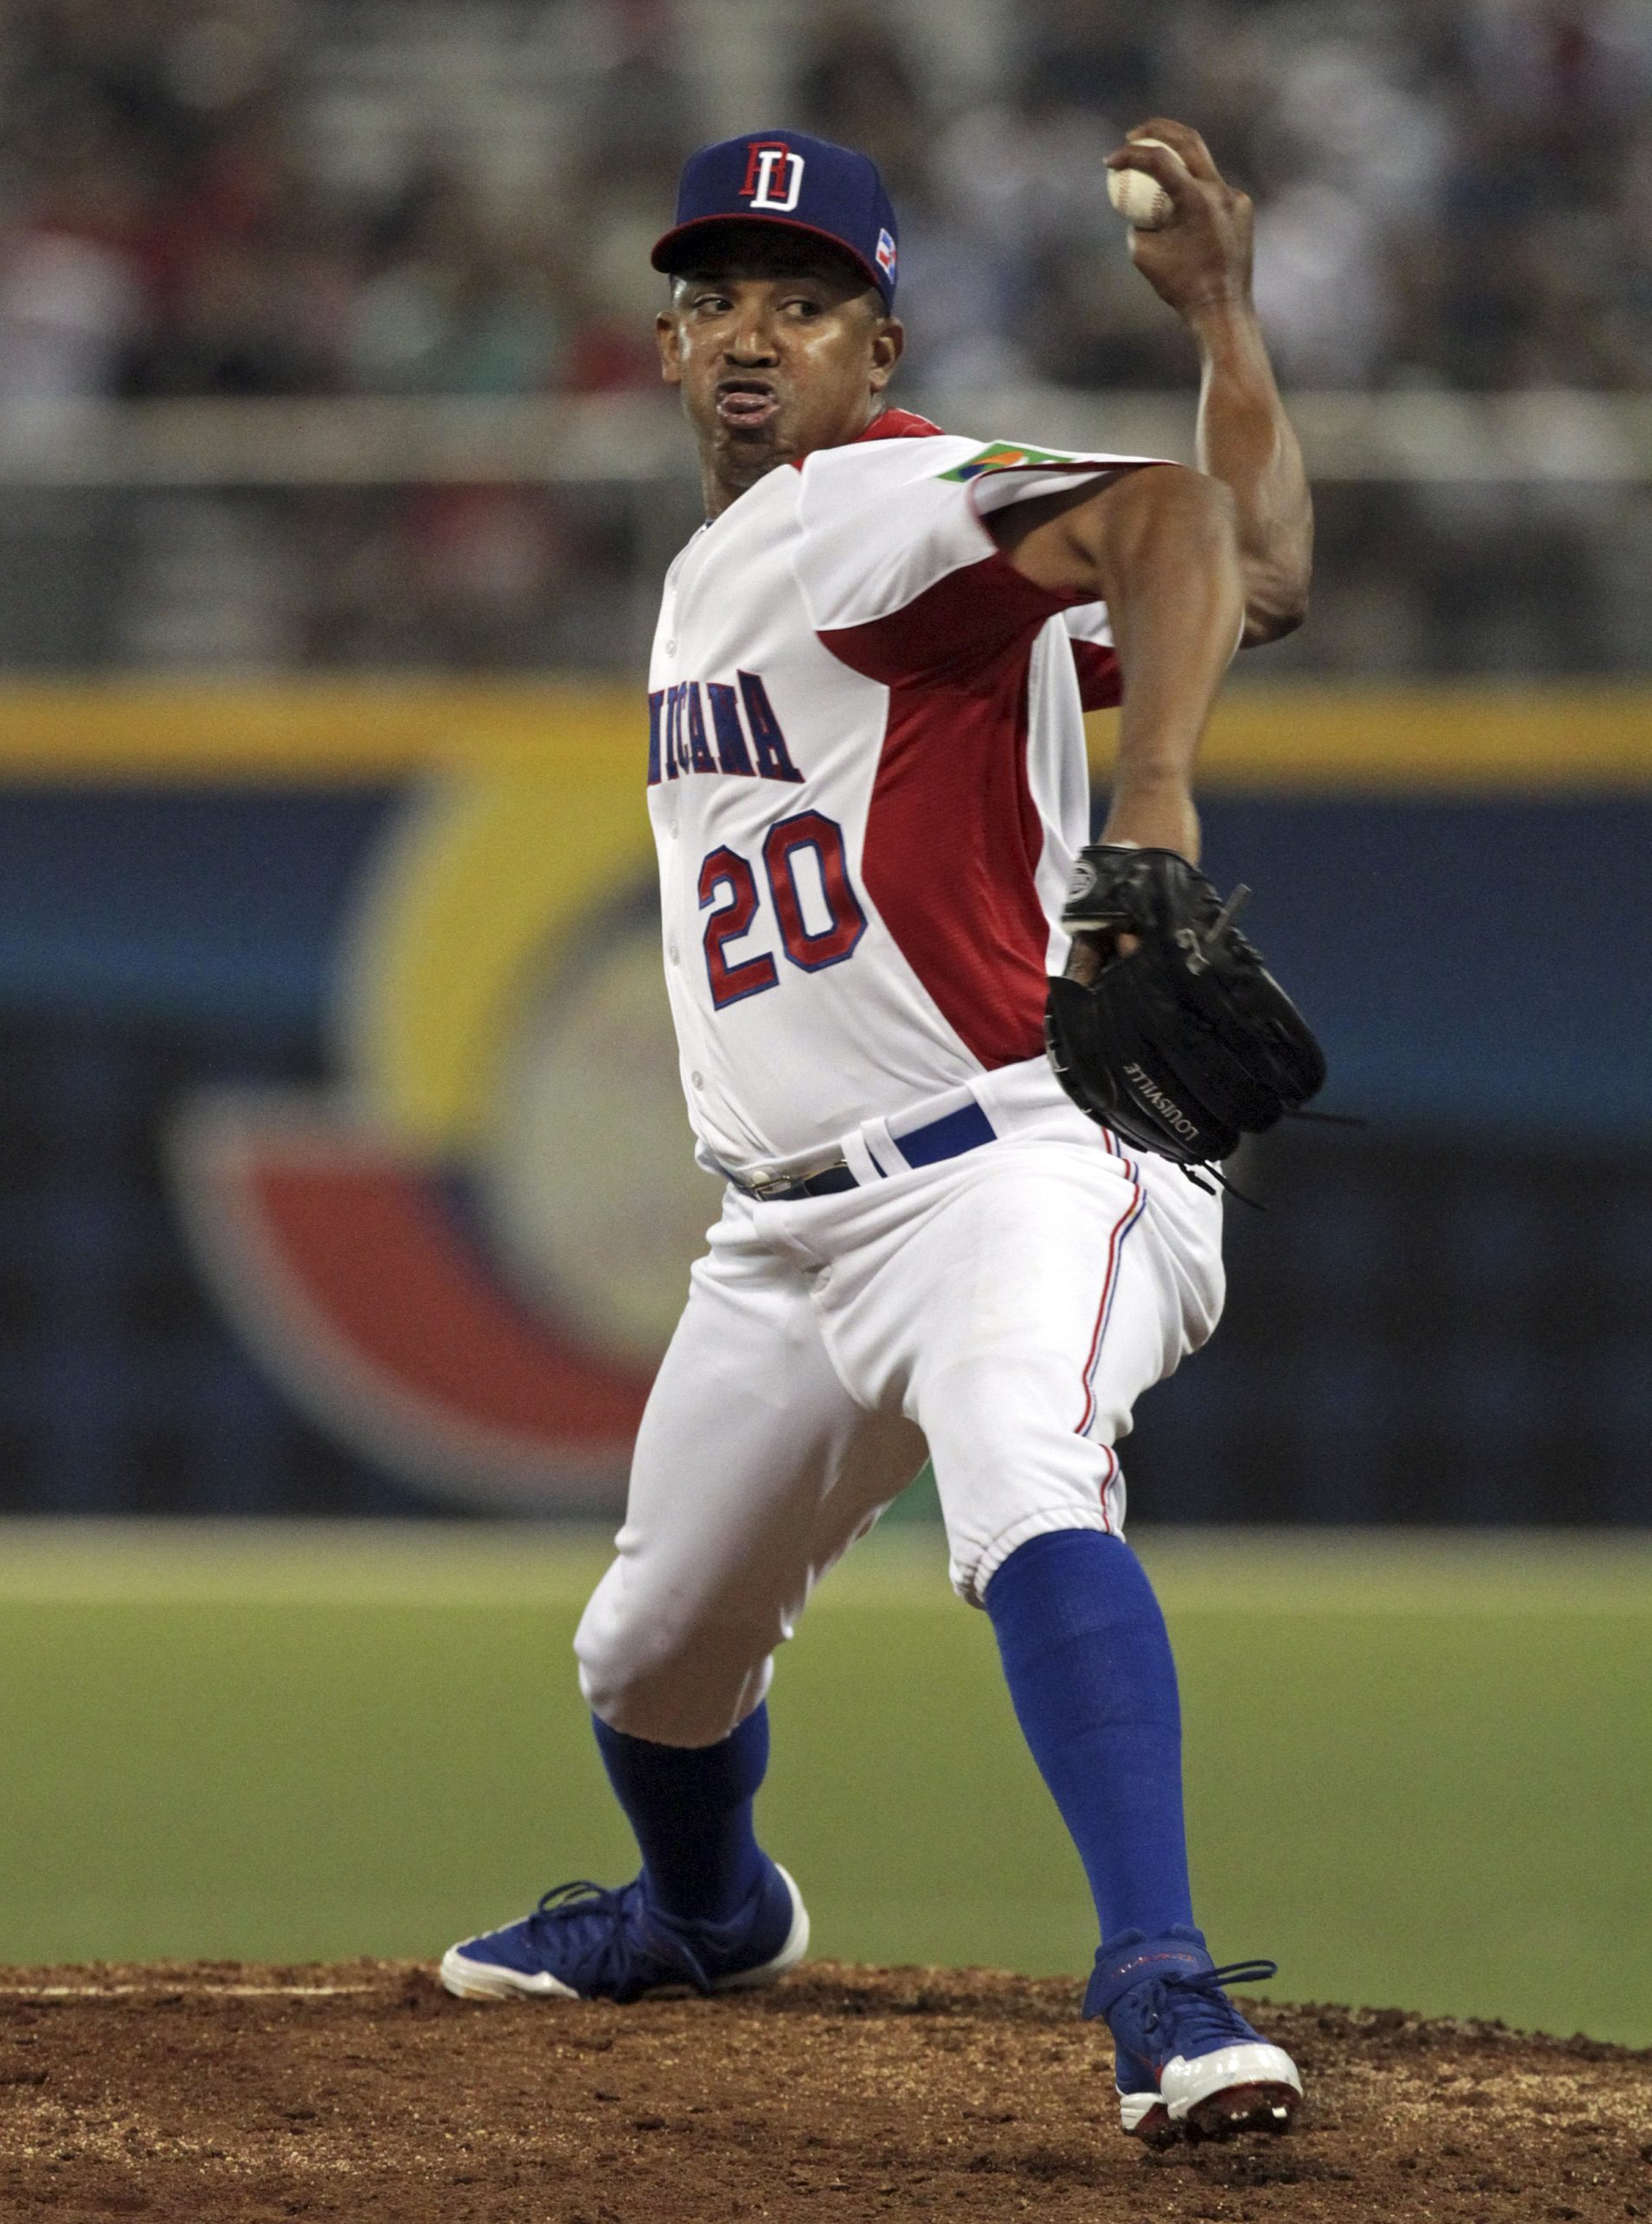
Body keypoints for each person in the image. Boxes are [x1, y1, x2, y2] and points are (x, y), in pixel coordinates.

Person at [441, 122, 1313, 2146]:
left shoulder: (888, 495)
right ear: (664, 350)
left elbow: (1184, 522)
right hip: (784, 1237)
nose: (755, 333)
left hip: (1016, 1156)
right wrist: (1223, 323)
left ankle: (1163, 1986)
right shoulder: (753, 558)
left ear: (876, 340)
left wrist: (1157, 804)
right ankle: (705, 1910)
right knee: (651, 1653)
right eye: (718, 298)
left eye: (805, 300)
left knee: (1020, 1466)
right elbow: (1259, 569)